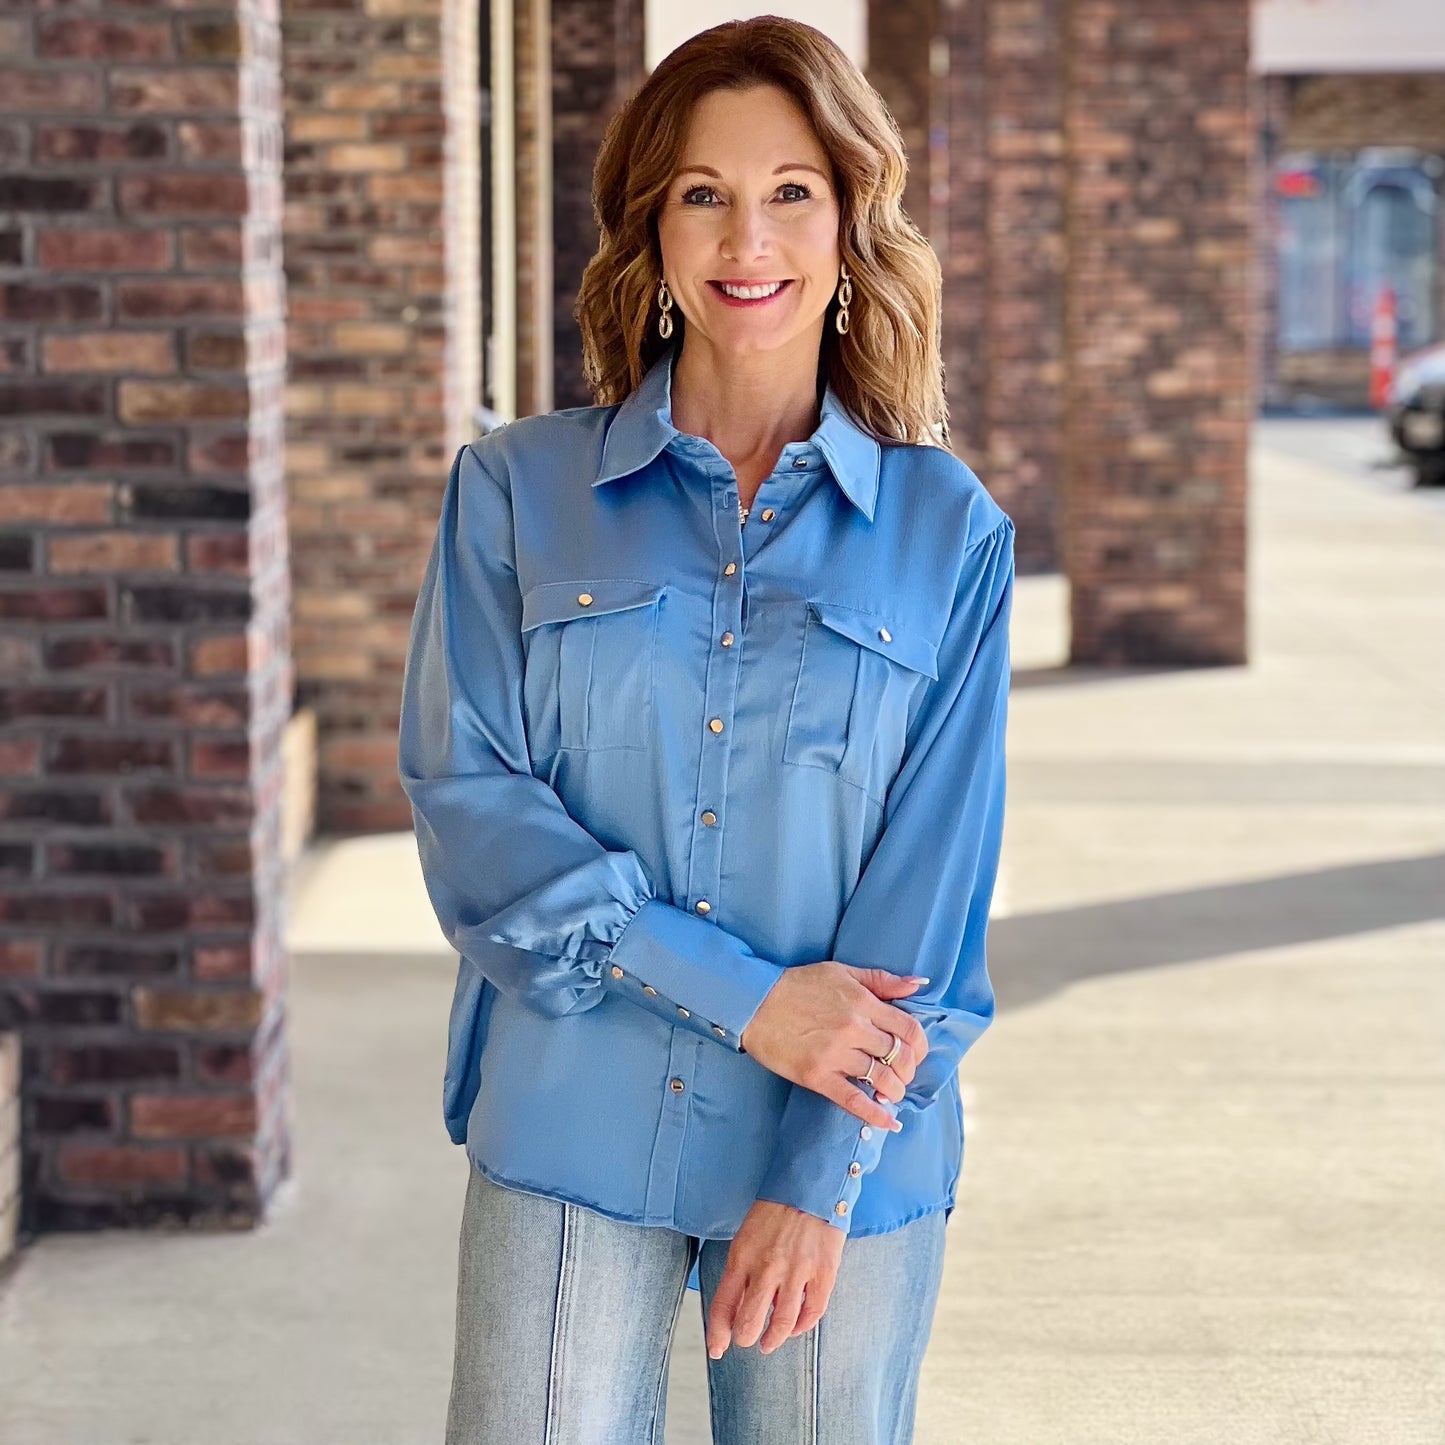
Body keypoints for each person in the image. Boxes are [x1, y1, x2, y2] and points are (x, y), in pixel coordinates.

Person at [398, 15, 1016, 1444]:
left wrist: (818, 1178)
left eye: (792, 190)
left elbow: (934, 897)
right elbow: (469, 801)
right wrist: (748, 996)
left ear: (851, 222)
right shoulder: (511, 492)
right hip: (570, 1122)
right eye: (704, 193)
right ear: (654, 231)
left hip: (839, 1155)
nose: (750, 237)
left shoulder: (946, 535)